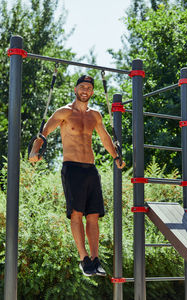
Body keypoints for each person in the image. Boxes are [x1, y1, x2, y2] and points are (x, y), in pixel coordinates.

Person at [29, 75, 125, 277]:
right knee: (76, 214)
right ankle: (84, 259)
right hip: (72, 168)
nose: (85, 90)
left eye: (89, 88)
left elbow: (105, 138)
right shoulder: (64, 112)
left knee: (93, 216)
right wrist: (35, 152)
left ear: (92, 92)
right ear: (75, 89)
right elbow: (44, 132)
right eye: (82, 86)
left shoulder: (95, 115)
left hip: (90, 169)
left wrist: (116, 156)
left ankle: (95, 258)